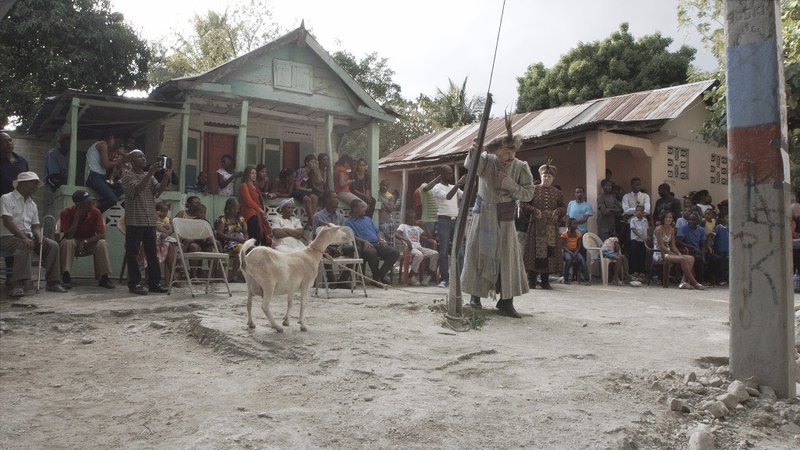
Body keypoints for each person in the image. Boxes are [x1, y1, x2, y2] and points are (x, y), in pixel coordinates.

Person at [461, 123, 535, 317]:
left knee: (506, 258)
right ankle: (475, 297)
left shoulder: (521, 167)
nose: (510, 155)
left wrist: (510, 184)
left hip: (505, 218)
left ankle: (506, 302)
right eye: (506, 152)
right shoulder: (486, 160)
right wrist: (474, 151)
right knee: (480, 254)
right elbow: (471, 166)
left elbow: (528, 194)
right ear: (497, 151)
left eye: (513, 151)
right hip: (483, 215)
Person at [1, 172, 67, 296]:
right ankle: (17, 284)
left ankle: (52, 282)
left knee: (52, 245)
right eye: (33, 183)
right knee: (24, 244)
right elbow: (7, 222)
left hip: (28, 236)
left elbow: (35, 226)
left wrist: (40, 236)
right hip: (7, 237)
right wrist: (24, 238)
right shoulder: (7, 198)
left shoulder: (32, 204)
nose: (36, 187)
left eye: (37, 184)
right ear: (22, 184)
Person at [121, 150, 171, 295]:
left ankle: (154, 283)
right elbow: (137, 190)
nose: (143, 158)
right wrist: (150, 173)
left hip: (149, 220)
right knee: (133, 254)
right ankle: (134, 284)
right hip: (135, 220)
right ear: (131, 160)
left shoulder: (149, 176)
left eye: (144, 156)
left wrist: (166, 177)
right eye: (139, 156)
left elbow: (158, 191)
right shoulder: (127, 176)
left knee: (152, 254)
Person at [522, 160, 565, 290]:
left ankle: (545, 281)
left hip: (550, 227)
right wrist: (535, 211)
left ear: (553, 178)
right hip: (536, 226)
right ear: (541, 176)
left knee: (548, 252)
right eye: (545, 176)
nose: (546, 178)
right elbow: (523, 204)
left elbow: (563, 207)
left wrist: (557, 212)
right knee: (535, 252)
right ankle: (531, 281)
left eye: (549, 176)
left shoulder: (557, 193)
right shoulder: (533, 190)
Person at [58, 190, 115, 289]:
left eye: (90, 201)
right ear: (78, 205)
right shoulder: (66, 212)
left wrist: (85, 242)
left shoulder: (95, 212)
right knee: (67, 242)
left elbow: (101, 235)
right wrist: (76, 218)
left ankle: (104, 278)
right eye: (87, 202)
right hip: (73, 242)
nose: (90, 204)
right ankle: (66, 277)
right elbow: (68, 236)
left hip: (88, 242)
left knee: (102, 243)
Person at [423, 165, 462, 288]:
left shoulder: (453, 187)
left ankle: (460, 279)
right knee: (444, 252)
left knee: (460, 251)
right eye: (448, 173)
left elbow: (465, 196)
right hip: (443, 222)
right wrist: (458, 184)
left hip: (455, 221)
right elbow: (448, 196)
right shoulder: (437, 187)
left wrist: (472, 184)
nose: (451, 175)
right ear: (442, 174)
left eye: (451, 173)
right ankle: (444, 279)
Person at [345, 199, 399, 285]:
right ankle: (377, 279)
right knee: (371, 253)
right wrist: (364, 241)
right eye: (362, 207)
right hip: (364, 246)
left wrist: (381, 239)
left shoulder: (368, 219)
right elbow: (352, 237)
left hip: (377, 243)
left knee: (394, 252)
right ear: (355, 209)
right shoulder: (349, 223)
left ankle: (379, 276)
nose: (364, 209)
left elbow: (378, 232)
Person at [653, 211, 704, 289]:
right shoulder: (659, 229)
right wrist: (674, 255)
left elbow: (673, 246)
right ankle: (694, 282)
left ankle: (683, 282)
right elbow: (661, 246)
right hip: (660, 253)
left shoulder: (671, 229)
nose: (668, 219)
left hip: (669, 252)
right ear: (663, 218)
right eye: (666, 217)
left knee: (691, 258)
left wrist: (679, 253)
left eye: (670, 217)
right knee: (683, 259)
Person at [85, 131, 126, 213]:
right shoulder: (103, 144)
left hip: (99, 177)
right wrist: (119, 161)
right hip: (94, 177)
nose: (114, 142)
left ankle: (97, 203)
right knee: (113, 199)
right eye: (113, 139)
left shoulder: (101, 146)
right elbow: (106, 165)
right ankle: (91, 213)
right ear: (110, 137)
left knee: (124, 187)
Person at [395, 209, 438, 286]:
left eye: (414, 218)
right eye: (410, 218)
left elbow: (429, 236)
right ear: (407, 218)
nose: (412, 220)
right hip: (410, 248)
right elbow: (397, 234)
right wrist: (407, 240)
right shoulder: (403, 226)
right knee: (419, 255)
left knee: (435, 254)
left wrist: (423, 225)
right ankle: (411, 276)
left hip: (419, 247)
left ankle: (429, 276)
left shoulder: (417, 228)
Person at [215, 197, 248, 280]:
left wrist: (246, 239)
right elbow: (219, 234)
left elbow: (245, 232)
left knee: (245, 251)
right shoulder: (223, 219)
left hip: (240, 244)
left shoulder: (241, 219)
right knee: (243, 249)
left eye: (237, 208)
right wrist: (236, 239)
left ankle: (235, 276)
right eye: (234, 208)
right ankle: (234, 275)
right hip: (229, 245)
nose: (236, 210)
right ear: (228, 207)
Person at [239, 165, 272, 246]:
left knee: (263, 235)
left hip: (258, 214)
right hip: (250, 215)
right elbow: (249, 201)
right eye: (252, 173)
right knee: (254, 237)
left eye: (255, 173)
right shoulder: (244, 186)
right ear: (247, 174)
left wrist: (262, 211)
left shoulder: (255, 187)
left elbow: (259, 200)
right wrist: (260, 209)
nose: (254, 175)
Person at [677, 213, 709, 285]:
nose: (691, 221)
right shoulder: (683, 228)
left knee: (713, 258)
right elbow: (679, 241)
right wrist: (691, 247)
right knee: (698, 259)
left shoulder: (701, 230)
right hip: (687, 250)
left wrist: (703, 255)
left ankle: (709, 280)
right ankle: (698, 280)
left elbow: (703, 243)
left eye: (693, 220)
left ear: (697, 221)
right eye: (689, 220)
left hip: (698, 250)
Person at [292, 155, 322, 223]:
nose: (313, 164)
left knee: (315, 198)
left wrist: (317, 171)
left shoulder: (312, 172)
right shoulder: (301, 171)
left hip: (306, 192)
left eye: (315, 162)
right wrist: (307, 190)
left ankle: (310, 221)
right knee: (308, 200)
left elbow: (320, 181)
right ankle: (312, 221)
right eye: (312, 162)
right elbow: (296, 186)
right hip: (298, 191)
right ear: (307, 163)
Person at [561, 218, 590, 285]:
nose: (576, 225)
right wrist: (570, 252)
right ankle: (566, 278)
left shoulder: (578, 234)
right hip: (567, 251)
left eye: (576, 223)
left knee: (582, 260)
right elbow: (563, 246)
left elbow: (578, 246)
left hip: (575, 251)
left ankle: (587, 279)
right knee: (569, 259)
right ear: (569, 225)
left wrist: (576, 252)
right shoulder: (564, 234)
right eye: (574, 224)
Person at [1, 132, 29, 196]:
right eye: (4, 141)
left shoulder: (22, 161)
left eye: (10, 140)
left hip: (19, 199)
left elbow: (27, 180)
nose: (9, 143)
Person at [154, 201, 176, 284]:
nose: (165, 213)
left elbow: (171, 229)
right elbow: (157, 227)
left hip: (165, 237)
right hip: (155, 237)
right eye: (162, 211)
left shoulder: (167, 219)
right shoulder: (155, 218)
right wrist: (165, 230)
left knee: (171, 244)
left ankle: (173, 277)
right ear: (157, 211)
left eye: (166, 211)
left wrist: (166, 233)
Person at [628, 205, 649, 279]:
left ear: (643, 212)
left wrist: (647, 237)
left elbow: (647, 229)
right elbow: (634, 230)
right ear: (635, 212)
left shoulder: (645, 220)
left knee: (642, 256)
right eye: (637, 211)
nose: (639, 212)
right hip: (635, 240)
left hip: (643, 241)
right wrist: (641, 236)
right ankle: (635, 271)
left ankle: (642, 271)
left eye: (641, 211)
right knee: (635, 256)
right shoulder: (633, 220)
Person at [710, 213, 729, 286]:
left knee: (726, 265)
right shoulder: (718, 227)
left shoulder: (729, 227)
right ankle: (720, 280)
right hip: (720, 250)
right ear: (722, 219)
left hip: (728, 250)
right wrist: (711, 247)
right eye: (727, 217)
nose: (728, 219)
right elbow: (712, 236)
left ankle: (725, 279)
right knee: (721, 265)